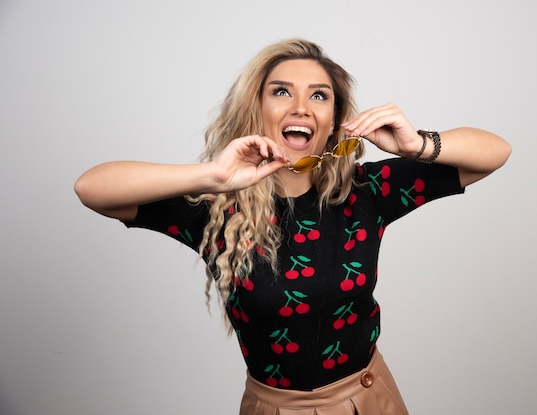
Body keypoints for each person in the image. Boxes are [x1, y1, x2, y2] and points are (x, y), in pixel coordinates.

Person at [74, 38, 511, 414]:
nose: (301, 106)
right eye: (281, 92)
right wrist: (213, 176)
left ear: (334, 118)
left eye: (319, 96)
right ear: (256, 106)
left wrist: (417, 144)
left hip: (367, 399)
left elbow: (494, 152)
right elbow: (92, 188)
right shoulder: (213, 207)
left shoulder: (364, 191)